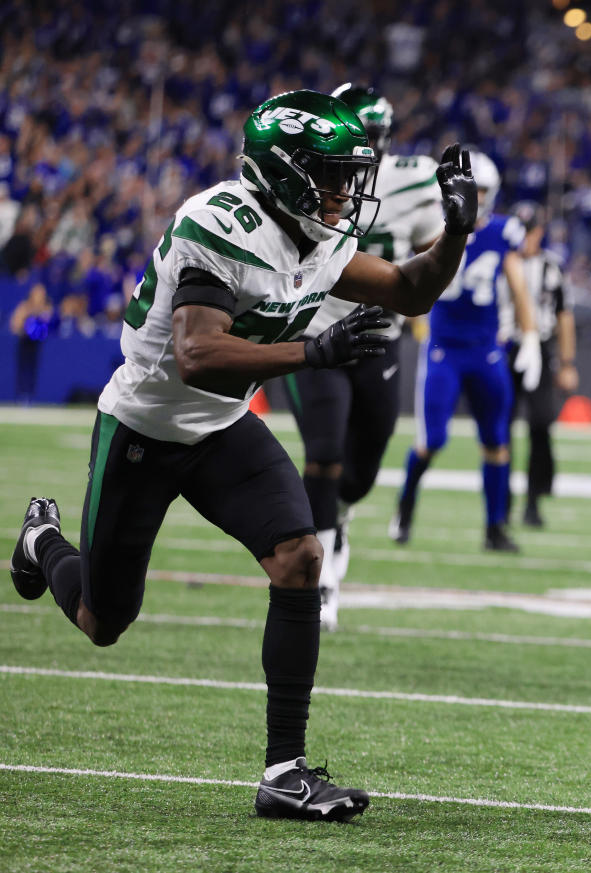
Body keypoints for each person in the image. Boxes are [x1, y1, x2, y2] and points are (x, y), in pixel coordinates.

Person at [10, 90, 477, 822]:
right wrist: (312, 350)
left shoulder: (316, 234)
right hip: (146, 426)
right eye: (330, 174)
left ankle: (283, 771)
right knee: (104, 621)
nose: (344, 191)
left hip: (222, 424)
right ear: (283, 172)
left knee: (300, 556)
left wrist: (455, 232)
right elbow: (197, 354)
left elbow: (410, 289)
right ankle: (42, 540)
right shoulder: (222, 223)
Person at [286, 84, 445, 631]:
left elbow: (429, 255)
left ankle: (339, 518)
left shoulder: (415, 179)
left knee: (360, 472)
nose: (368, 151)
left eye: (375, 139)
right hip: (317, 332)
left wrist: (457, 230)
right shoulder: (302, 178)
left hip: (381, 334)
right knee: (324, 455)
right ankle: (322, 578)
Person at [390, 150, 541, 552]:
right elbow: (412, 280)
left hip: (486, 350)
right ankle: (405, 506)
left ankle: (495, 528)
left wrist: (529, 336)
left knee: (496, 440)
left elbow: (518, 285)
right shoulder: (432, 227)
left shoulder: (503, 232)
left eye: (485, 191)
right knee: (432, 439)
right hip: (444, 350)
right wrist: (418, 324)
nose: (479, 197)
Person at [501, 202, 578, 527]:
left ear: (539, 233)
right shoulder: (501, 263)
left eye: (528, 233)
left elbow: (564, 316)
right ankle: (500, 504)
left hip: (541, 349)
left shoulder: (551, 267)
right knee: (499, 430)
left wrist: (566, 362)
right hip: (506, 347)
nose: (524, 240)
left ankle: (534, 499)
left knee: (540, 424)